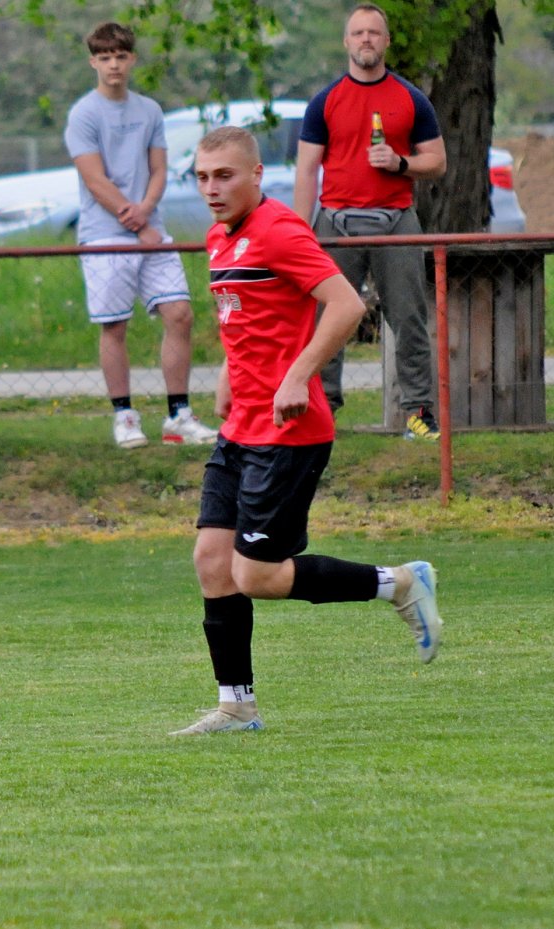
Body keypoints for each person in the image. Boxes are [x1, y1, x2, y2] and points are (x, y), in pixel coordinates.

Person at [174, 126, 443, 735]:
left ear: (256, 175)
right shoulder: (220, 237)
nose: (212, 189)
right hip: (242, 426)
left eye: (224, 176)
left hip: (288, 431)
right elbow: (251, 316)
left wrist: (298, 376)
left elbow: (347, 304)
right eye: (203, 177)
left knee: (256, 576)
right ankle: (236, 707)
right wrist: (228, 374)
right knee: (212, 561)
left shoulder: (279, 229)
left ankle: (399, 582)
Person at [294, 3, 446, 441]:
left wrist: (401, 163)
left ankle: (419, 415)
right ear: (346, 41)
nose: (366, 39)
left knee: (410, 320)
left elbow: (437, 162)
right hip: (335, 224)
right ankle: (322, 412)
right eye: (358, 32)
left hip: (396, 221)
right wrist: (300, 233)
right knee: (326, 320)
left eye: (374, 33)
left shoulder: (410, 98)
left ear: (386, 42)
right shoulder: (324, 101)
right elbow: (307, 170)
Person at [64, 22, 217, 450]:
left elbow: (159, 169)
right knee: (114, 325)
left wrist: (148, 210)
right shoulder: (84, 114)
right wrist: (137, 222)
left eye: (120, 56)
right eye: (105, 58)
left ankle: (178, 415)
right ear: (93, 62)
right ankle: (125, 416)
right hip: (105, 236)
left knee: (180, 314)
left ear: (132, 59)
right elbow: (95, 180)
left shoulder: (149, 110)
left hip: (153, 232)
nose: (113, 65)